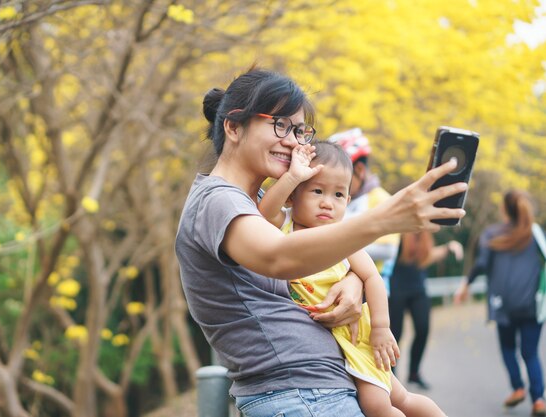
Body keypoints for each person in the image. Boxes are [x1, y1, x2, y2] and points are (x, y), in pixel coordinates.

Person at [175, 67, 467, 417]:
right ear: (233, 126)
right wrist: (386, 218)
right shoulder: (217, 200)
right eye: (279, 125)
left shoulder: (261, 202)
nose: (293, 141)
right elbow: (278, 257)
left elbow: (312, 253)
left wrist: (353, 279)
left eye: (298, 130)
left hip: (324, 388)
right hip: (299, 396)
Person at [258, 140, 446, 417]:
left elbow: (373, 277)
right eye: (317, 191)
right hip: (332, 343)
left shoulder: (342, 238)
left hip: (358, 337)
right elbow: (264, 212)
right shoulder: (284, 225)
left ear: (347, 201)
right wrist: (293, 176)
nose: (327, 203)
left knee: (383, 404)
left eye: (338, 195)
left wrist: (382, 328)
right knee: (399, 397)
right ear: (292, 196)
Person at [454, 189, 546, 416]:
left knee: (507, 347)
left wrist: (466, 285)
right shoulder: (535, 234)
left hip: (503, 304)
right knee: (530, 352)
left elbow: (481, 264)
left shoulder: (492, 234)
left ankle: (517, 388)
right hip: (532, 303)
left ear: (505, 208)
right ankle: (538, 400)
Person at [389, 231, 463, 390]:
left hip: (418, 289)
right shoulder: (400, 234)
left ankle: (414, 373)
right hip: (397, 288)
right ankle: (391, 376)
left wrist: (448, 247)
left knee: (423, 328)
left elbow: (428, 256)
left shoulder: (425, 235)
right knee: (395, 334)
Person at [329, 129, 400, 292]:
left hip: (372, 292)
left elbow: (387, 249)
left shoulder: (381, 199)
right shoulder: (341, 198)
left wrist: (332, 243)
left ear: (359, 170)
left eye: (341, 174)